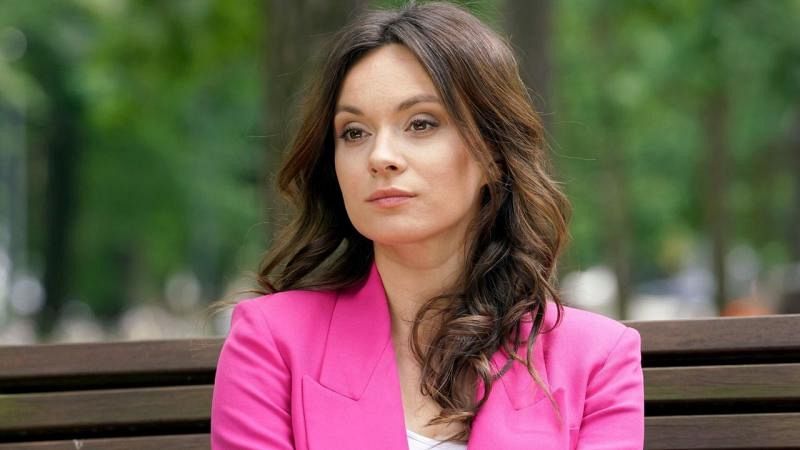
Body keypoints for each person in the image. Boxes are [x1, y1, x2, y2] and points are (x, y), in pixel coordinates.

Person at [210, 2, 644, 449]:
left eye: (420, 124)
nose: (380, 157)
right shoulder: (271, 342)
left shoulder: (597, 360)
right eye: (354, 132)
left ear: (492, 154)